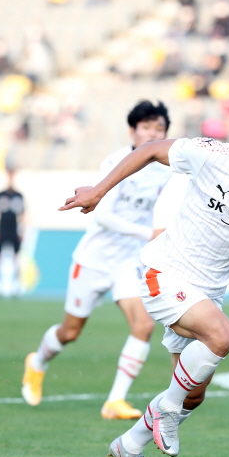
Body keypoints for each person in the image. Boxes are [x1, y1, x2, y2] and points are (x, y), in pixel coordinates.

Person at [59, 88, 229, 457]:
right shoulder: (212, 154)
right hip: (164, 272)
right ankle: (166, 412)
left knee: (192, 395)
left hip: (207, 293)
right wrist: (97, 191)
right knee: (223, 336)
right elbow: (149, 151)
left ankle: (129, 446)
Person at [21, 100, 173, 420]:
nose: (153, 134)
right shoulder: (116, 162)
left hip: (128, 262)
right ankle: (37, 362)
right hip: (94, 259)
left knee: (144, 325)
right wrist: (147, 233)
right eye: (146, 127)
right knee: (70, 332)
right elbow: (101, 216)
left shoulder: (164, 170)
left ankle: (114, 401)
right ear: (132, 131)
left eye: (159, 129)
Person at [0, 168, 25, 296]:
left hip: (14, 230)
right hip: (2, 229)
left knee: (16, 258)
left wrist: (22, 230)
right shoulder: (0, 195)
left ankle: (16, 285)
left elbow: (22, 214)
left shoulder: (19, 195)